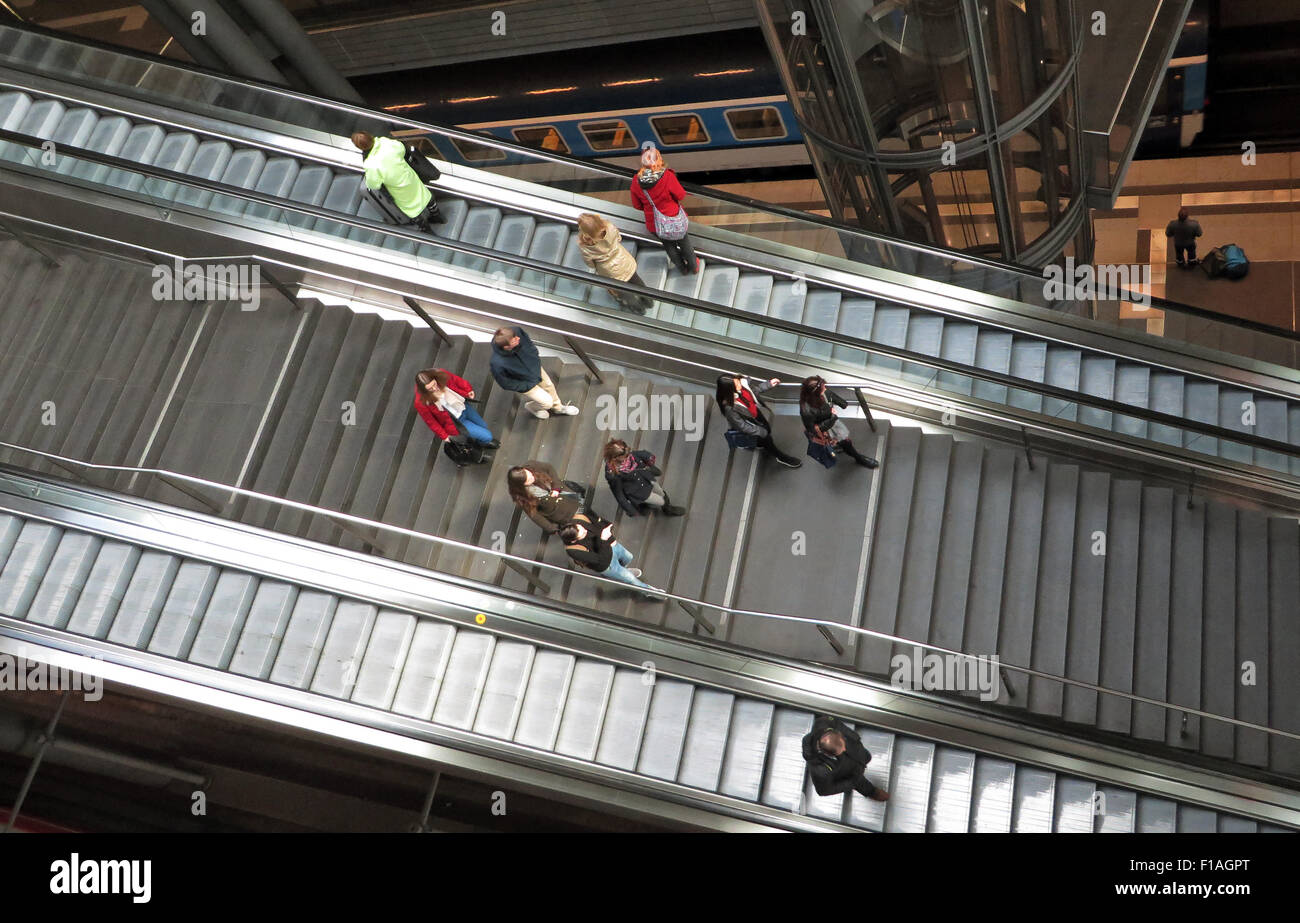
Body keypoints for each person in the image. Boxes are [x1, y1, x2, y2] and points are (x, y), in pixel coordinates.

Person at [351, 131, 444, 230]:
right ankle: (437, 216)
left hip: (398, 190)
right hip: (409, 177)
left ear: (360, 147)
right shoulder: (385, 142)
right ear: (370, 136)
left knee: (412, 210)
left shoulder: (370, 164)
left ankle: (425, 228)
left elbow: (374, 184)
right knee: (425, 195)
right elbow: (401, 149)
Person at [630, 143, 697, 275]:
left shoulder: (636, 181)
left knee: (668, 245)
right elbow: (681, 195)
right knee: (684, 242)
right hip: (674, 218)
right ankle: (694, 267)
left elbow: (637, 205)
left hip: (655, 223)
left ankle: (682, 268)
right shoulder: (667, 176)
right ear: (659, 159)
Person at [559, 511, 661, 597]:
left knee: (629, 557)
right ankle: (650, 592)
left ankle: (624, 570)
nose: (585, 530)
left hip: (610, 545)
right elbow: (601, 560)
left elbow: (599, 522)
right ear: (573, 541)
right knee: (631, 579)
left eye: (582, 528)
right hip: (607, 564)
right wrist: (603, 540)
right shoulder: (573, 551)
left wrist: (610, 537)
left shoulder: (579, 519)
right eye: (583, 534)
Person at [489, 326, 580, 420]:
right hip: (525, 383)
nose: (518, 338)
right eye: (514, 340)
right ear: (506, 347)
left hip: (535, 369)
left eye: (515, 336)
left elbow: (529, 343)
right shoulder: (497, 363)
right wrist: (525, 386)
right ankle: (533, 408)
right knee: (547, 402)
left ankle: (558, 408)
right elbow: (505, 383)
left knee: (549, 385)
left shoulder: (516, 331)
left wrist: (534, 356)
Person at [715, 374, 802, 468]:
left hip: (755, 415)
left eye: (738, 381)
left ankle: (760, 443)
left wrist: (768, 384)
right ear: (729, 390)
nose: (740, 384)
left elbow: (753, 391)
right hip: (750, 423)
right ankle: (781, 457)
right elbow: (742, 426)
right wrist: (760, 432)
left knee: (767, 429)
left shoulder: (742, 386)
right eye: (736, 384)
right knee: (766, 439)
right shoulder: (729, 408)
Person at [413, 368, 497, 464]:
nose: (434, 389)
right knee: (487, 436)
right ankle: (483, 443)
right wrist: (444, 436)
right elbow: (431, 422)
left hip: (463, 407)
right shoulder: (422, 402)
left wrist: (467, 389)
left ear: (435, 379)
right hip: (456, 421)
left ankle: (480, 442)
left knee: (483, 426)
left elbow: (455, 379)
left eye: (434, 384)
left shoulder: (441, 374)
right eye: (430, 389)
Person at [577, 212, 654, 314]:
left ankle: (639, 310)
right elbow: (619, 238)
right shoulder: (610, 227)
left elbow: (590, 263)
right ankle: (649, 301)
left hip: (611, 273)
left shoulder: (586, 247)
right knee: (638, 282)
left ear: (586, 234)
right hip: (625, 262)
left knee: (625, 293)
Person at [801, 715, 889, 802]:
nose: (844, 749)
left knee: (867, 757)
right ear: (828, 754)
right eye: (840, 751)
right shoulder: (820, 771)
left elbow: (835, 722)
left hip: (857, 754)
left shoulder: (824, 723)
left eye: (843, 743)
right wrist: (852, 782)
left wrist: (854, 737)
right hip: (849, 773)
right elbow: (823, 790)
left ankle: (863, 763)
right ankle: (872, 792)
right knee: (860, 782)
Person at [799, 376, 878, 469]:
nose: (825, 388)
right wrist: (832, 417)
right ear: (815, 393)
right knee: (846, 442)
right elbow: (813, 429)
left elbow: (837, 400)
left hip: (832, 423)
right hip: (826, 429)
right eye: (822, 388)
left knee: (841, 441)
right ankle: (858, 458)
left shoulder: (823, 394)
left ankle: (839, 446)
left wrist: (839, 403)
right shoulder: (806, 410)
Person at [602, 439, 686, 517]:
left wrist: (649, 457)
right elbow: (619, 494)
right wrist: (630, 510)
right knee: (661, 501)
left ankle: (664, 507)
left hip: (646, 478)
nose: (629, 457)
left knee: (661, 492)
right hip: (638, 491)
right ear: (616, 458)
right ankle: (667, 509)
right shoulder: (613, 475)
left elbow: (637, 454)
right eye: (625, 457)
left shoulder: (628, 455)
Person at [507, 462, 588, 534]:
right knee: (580, 518)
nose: (533, 477)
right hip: (559, 511)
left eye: (530, 474)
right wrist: (550, 528)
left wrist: (556, 487)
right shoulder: (522, 496)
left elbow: (549, 467)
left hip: (565, 493)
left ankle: (584, 508)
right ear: (522, 484)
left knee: (580, 503)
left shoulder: (531, 466)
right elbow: (533, 514)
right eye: (528, 480)